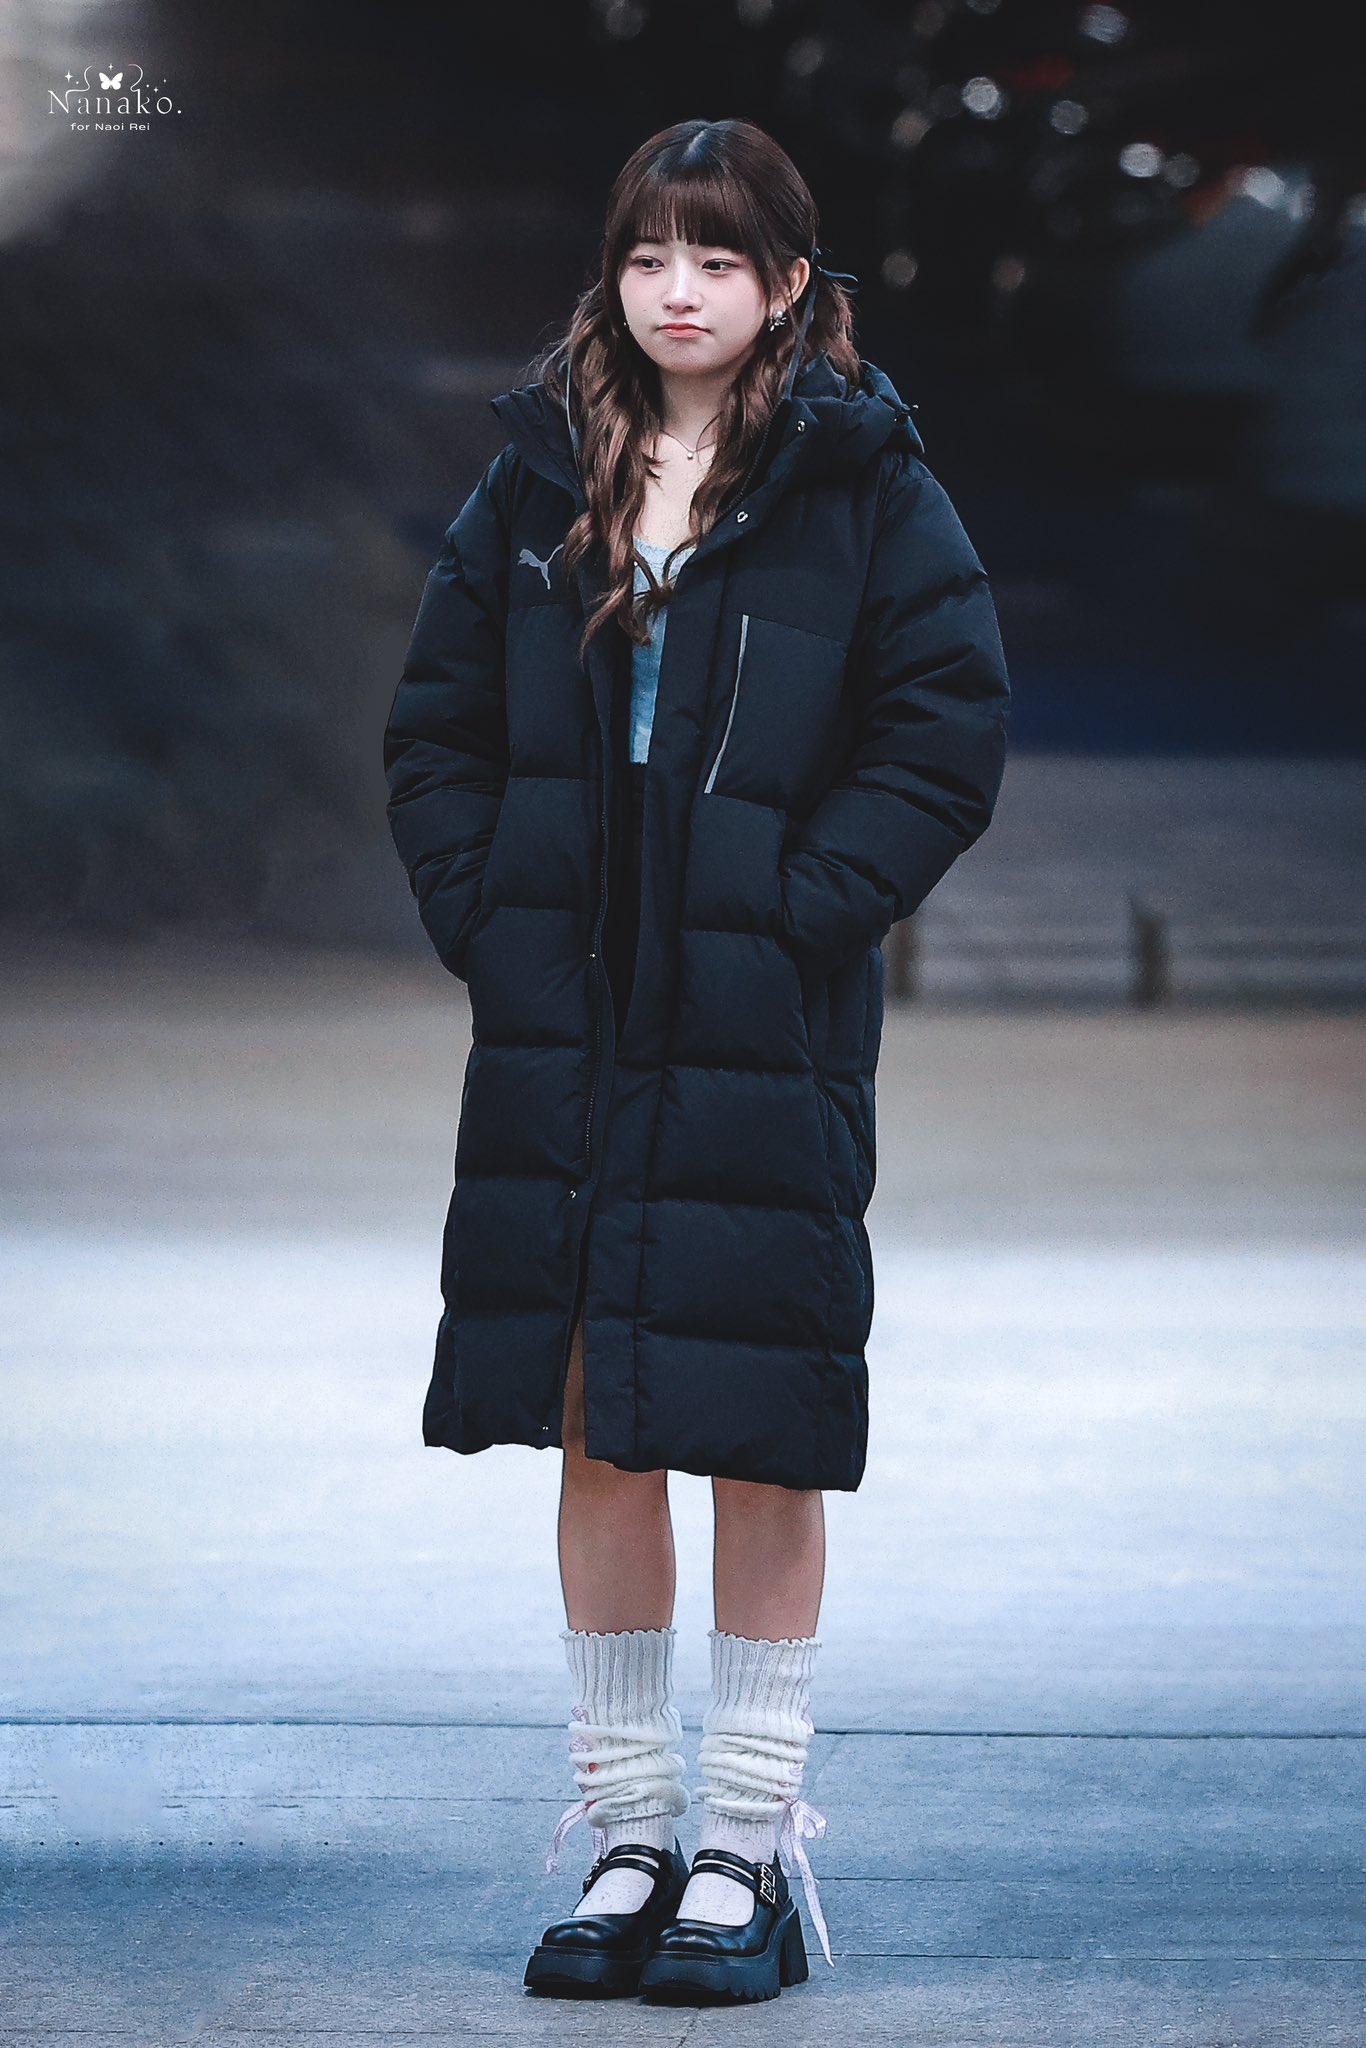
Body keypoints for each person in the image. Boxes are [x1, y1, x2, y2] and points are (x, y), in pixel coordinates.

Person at [383, 117, 1010, 2004]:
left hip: (757, 1022)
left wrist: (799, 911)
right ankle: (626, 1832)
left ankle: (742, 1845)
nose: (678, 291)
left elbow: (943, 729)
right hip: (570, 1011)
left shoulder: (861, 479)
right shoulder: (537, 474)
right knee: (593, 1411)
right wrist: (492, 914)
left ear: (786, 285)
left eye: (719, 260)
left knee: (754, 1423)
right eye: (650, 255)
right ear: (614, 273)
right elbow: (435, 729)